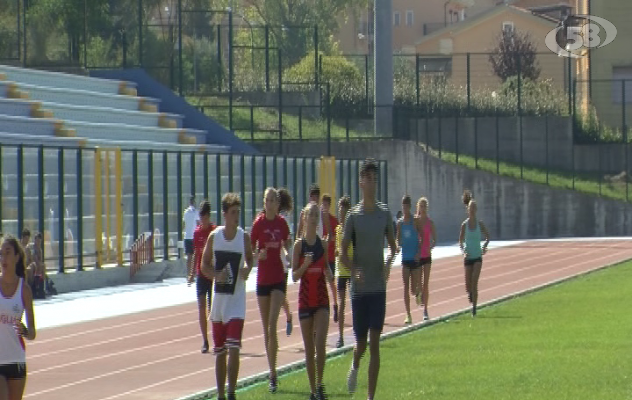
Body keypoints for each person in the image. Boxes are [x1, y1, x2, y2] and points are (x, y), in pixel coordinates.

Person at [341, 158, 397, 400]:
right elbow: (341, 254)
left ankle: (370, 397)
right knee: (362, 345)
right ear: (360, 182)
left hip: (377, 288)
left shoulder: (384, 214)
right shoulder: (353, 216)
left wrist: (387, 265)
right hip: (359, 290)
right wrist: (354, 270)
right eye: (368, 178)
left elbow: (394, 248)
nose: (372, 182)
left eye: (375, 178)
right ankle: (354, 365)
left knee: (375, 344)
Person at [201, 193, 254, 400]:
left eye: (238, 213)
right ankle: (221, 394)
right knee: (220, 352)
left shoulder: (244, 237)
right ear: (224, 215)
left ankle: (231, 392)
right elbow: (204, 264)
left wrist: (247, 270)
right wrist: (216, 274)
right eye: (233, 213)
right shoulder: (215, 237)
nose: (236, 217)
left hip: (236, 302)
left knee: (234, 348)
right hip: (219, 303)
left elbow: (250, 259)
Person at [250, 188, 292, 393]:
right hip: (262, 280)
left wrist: (286, 251)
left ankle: (274, 375)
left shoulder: (281, 223)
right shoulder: (258, 224)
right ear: (264, 202)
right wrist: (259, 256)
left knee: (272, 324)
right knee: (266, 328)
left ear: (277, 203)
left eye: (273, 200)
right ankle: (272, 371)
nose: (269, 203)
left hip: (278, 279)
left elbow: (288, 241)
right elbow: (250, 251)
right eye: (267, 200)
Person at [292, 202, 335, 400]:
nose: (314, 218)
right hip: (304, 300)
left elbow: (327, 268)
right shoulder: (298, 246)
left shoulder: (322, 244)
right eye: (311, 215)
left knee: (320, 344)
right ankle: (312, 391)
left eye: (317, 215)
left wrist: (329, 274)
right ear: (304, 218)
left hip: (321, 299)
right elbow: (294, 276)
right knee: (309, 349)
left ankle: (319, 385)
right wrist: (305, 265)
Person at [0, 235, 37, 400]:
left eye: (7, 253)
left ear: (16, 257)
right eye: (1, 254)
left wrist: (24, 330)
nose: (3, 258)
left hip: (16, 359)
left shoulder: (24, 290)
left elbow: (32, 333)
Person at [458, 199, 490, 317]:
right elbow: (460, 241)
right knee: (468, 285)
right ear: (468, 210)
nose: (472, 210)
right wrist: (463, 251)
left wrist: (484, 247)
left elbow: (487, 237)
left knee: (474, 282)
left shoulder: (480, 224)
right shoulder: (464, 225)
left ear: (476, 210)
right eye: (470, 208)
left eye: (474, 208)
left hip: (477, 256)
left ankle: (474, 309)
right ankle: (470, 293)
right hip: (468, 257)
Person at [193, 201, 217, 353]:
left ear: (209, 217)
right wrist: (191, 272)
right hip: (200, 274)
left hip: (213, 273)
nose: (202, 221)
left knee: (212, 309)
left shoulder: (215, 232)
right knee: (201, 306)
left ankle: (217, 338)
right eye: (201, 218)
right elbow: (196, 253)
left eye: (205, 218)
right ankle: (205, 341)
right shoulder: (196, 233)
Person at [396, 195, 419, 325]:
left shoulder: (414, 221)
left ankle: (418, 292)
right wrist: (397, 246)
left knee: (413, 289)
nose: (404, 209)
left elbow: (421, 238)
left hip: (414, 258)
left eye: (406, 206)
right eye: (403, 206)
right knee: (405, 287)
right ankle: (408, 314)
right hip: (405, 258)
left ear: (410, 207)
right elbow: (397, 239)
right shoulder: (399, 223)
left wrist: (419, 252)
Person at [335, 195, 352, 348]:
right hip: (341, 271)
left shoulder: (353, 230)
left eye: (344, 213)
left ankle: (360, 332)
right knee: (341, 305)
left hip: (352, 270)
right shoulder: (338, 229)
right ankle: (340, 336)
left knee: (356, 303)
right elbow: (338, 249)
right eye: (340, 212)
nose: (342, 215)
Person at [415, 197, 436, 321]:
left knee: (426, 284)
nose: (422, 208)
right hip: (417, 256)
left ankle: (425, 310)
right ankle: (418, 292)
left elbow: (435, 239)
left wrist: (431, 247)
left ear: (426, 208)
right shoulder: (415, 221)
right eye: (420, 206)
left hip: (427, 256)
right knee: (418, 283)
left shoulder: (430, 222)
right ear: (418, 207)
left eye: (424, 206)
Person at [277, 188, 294, 337]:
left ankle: (289, 316)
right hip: (270, 264)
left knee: (281, 296)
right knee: (273, 298)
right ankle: (272, 330)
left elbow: (288, 240)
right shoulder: (269, 217)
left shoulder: (284, 219)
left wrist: (289, 255)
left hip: (282, 263)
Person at [320, 194, 339, 322]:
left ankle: (335, 304)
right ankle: (323, 309)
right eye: (323, 205)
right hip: (320, 258)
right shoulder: (317, 220)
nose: (324, 207)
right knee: (321, 284)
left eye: (326, 205)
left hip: (330, 257)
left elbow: (335, 238)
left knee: (331, 283)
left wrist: (330, 240)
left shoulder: (334, 221)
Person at [183, 196, 200, 285]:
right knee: (194, 256)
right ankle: (194, 274)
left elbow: (184, 223)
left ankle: (188, 274)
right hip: (194, 236)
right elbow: (198, 224)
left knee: (189, 257)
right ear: (194, 202)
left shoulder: (185, 212)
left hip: (187, 236)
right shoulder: (196, 212)